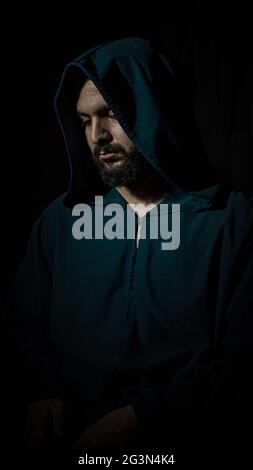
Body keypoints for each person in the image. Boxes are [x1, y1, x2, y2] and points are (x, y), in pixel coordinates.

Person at [1, 37, 253, 458]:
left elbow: (246, 360)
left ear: (155, 108)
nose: (96, 136)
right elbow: (20, 325)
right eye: (84, 121)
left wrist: (144, 417)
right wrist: (39, 392)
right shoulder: (63, 221)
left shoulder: (231, 220)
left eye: (110, 114)